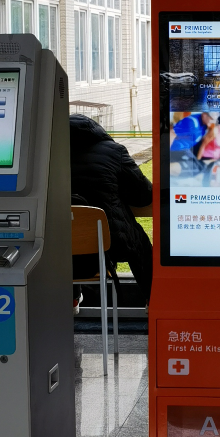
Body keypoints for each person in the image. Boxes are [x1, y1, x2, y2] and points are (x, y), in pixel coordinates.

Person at [69, 113, 153, 312]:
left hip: (62, 249)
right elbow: (144, 195)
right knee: (140, 245)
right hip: (113, 245)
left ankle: (71, 300)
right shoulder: (114, 151)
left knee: (71, 238)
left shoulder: (50, 156)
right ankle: (154, 299)